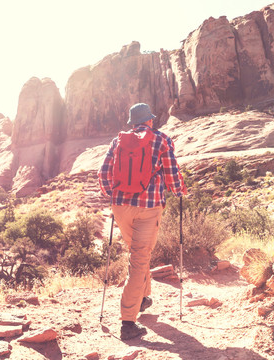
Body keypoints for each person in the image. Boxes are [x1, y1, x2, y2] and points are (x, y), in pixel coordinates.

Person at [98, 102, 187, 340]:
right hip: (148, 208)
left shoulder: (118, 141)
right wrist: (179, 191)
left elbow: (103, 173)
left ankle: (144, 297)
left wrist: (114, 196)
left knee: (138, 253)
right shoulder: (161, 139)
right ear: (150, 120)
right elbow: (171, 173)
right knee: (139, 258)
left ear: (132, 122)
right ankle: (128, 321)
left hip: (121, 208)